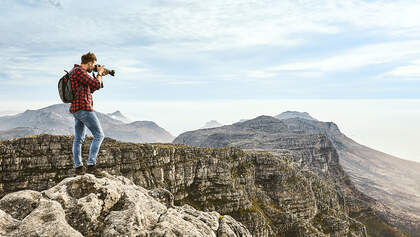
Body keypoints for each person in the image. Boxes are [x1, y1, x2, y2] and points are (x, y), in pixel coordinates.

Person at [69, 52, 107, 177]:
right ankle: (91, 165)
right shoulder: (79, 71)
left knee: (79, 138)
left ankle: (79, 167)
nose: (94, 67)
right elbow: (96, 84)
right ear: (90, 62)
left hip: (77, 109)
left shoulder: (78, 72)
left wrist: (99, 75)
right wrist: (99, 74)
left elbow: (93, 87)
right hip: (83, 108)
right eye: (94, 65)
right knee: (99, 135)